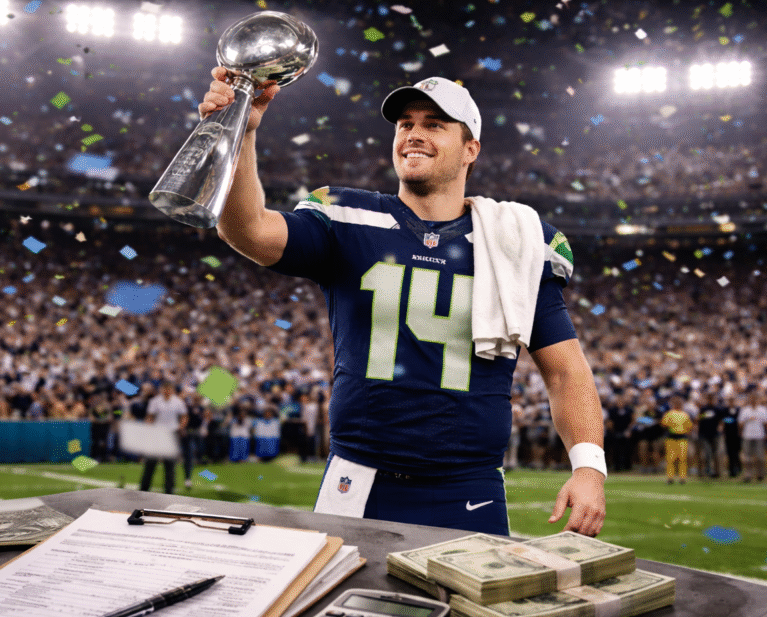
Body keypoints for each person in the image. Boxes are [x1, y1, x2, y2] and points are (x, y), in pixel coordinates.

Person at [199, 71, 606, 536]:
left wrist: (589, 466)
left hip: (469, 487)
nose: (414, 134)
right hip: (358, 478)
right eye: (405, 124)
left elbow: (564, 369)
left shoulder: (517, 241)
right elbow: (246, 230)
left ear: (470, 149)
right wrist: (242, 132)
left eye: (434, 124)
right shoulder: (348, 216)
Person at [140, 382, 188, 494]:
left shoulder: (178, 402)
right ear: (161, 390)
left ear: (172, 390)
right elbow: (150, 417)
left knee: (170, 465)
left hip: (172, 434)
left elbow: (184, 417)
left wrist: (181, 427)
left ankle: (169, 492)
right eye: (165, 389)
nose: (167, 391)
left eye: (169, 389)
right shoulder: (155, 401)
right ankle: (143, 490)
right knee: (150, 463)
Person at [738, 392, 767, 483]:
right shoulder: (745, 410)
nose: (753, 400)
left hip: (759, 435)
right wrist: (748, 420)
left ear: (758, 400)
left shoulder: (763, 410)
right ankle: (748, 475)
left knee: (760, 457)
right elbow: (740, 423)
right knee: (747, 457)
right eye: (752, 399)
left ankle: (760, 474)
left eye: (755, 399)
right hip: (747, 435)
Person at [660, 395, 693, 484]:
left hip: (682, 437)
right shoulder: (670, 413)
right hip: (672, 437)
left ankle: (682, 478)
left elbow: (689, 426)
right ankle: (670, 477)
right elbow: (663, 424)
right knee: (671, 459)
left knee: (682, 458)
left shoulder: (685, 414)